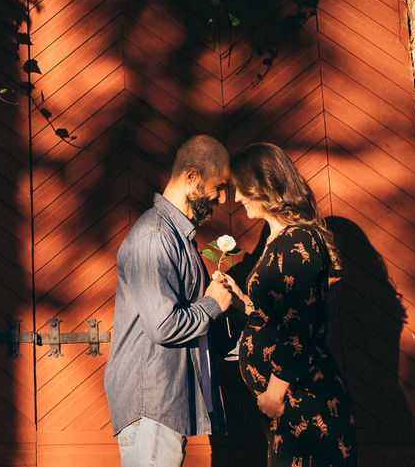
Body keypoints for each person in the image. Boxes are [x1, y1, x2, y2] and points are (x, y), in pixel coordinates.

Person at [218, 142, 357, 467]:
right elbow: (278, 315)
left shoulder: (298, 240)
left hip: (305, 400)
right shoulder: (275, 240)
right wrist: (242, 301)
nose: (237, 198)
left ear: (264, 185)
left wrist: (276, 391)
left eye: (242, 189)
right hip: (290, 403)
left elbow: (300, 324)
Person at [105, 134, 234, 467]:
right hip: (151, 405)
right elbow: (164, 326)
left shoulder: (179, 237)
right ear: (190, 176)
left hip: (164, 405)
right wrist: (212, 304)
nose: (222, 198)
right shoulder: (155, 236)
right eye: (218, 187)